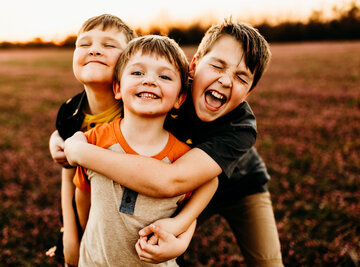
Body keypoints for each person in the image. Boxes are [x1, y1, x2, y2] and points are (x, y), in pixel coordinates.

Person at [62, 18, 284, 266]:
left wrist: (181, 231)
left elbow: (175, 181)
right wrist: (60, 137)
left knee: (269, 262)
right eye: (217, 66)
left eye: (242, 78)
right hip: (182, 189)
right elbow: (96, 107)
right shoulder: (165, 86)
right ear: (194, 66)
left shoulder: (241, 127)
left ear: (249, 92)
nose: (225, 81)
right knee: (139, 238)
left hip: (241, 188)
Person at [64, 35, 218, 266]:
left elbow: (193, 206)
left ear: (179, 98)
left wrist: (181, 239)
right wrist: (88, 236)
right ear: (117, 88)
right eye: (137, 73)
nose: (149, 81)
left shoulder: (183, 158)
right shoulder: (93, 140)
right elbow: (83, 196)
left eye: (164, 76)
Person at [46, 14, 136, 266]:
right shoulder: (70, 110)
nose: (94, 49)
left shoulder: (138, 110)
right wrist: (70, 236)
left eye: (109, 45)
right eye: (84, 44)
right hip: (83, 218)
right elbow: (68, 177)